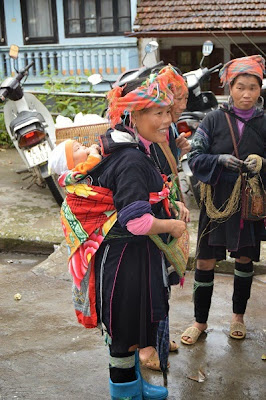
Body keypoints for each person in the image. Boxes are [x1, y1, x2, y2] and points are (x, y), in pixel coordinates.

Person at [58, 73, 187, 399]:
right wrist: (172, 226)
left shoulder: (125, 142)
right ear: (134, 116)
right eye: (157, 113)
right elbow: (136, 222)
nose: (167, 120)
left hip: (127, 258)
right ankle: (125, 393)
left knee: (130, 330)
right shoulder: (130, 158)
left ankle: (137, 386)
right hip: (124, 263)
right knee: (123, 333)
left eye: (167, 111)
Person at [181, 55, 266, 345]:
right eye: (241, 87)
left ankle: (238, 318)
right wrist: (218, 159)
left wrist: (262, 163)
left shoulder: (264, 122)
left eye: (253, 88)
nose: (246, 94)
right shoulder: (213, 120)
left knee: (244, 259)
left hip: (248, 205)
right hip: (215, 203)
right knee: (205, 262)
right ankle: (199, 322)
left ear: (260, 89)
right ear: (230, 87)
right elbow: (194, 157)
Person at [139, 65, 190, 371]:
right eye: (180, 97)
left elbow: (167, 171)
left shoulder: (168, 128)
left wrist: (178, 151)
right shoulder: (148, 128)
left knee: (163, 282)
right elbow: (151, 176)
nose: (183, 104)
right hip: (150, 217)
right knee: (149, 284)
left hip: (165, 209)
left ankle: (160, 336)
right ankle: (146, 348)